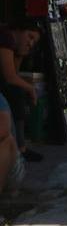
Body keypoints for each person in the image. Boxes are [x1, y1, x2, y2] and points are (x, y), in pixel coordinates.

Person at [0, 19, 43, 162]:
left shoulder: (14, 44)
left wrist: (20, 53)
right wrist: (31, 89)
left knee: (17, 90)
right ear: (19, 30)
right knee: (17, 92)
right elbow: (10, 77)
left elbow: (15, 75)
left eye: (34, 42)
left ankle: (20, 145)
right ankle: (21, 148)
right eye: (30, 37)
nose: (30, 43)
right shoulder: (5, 36)